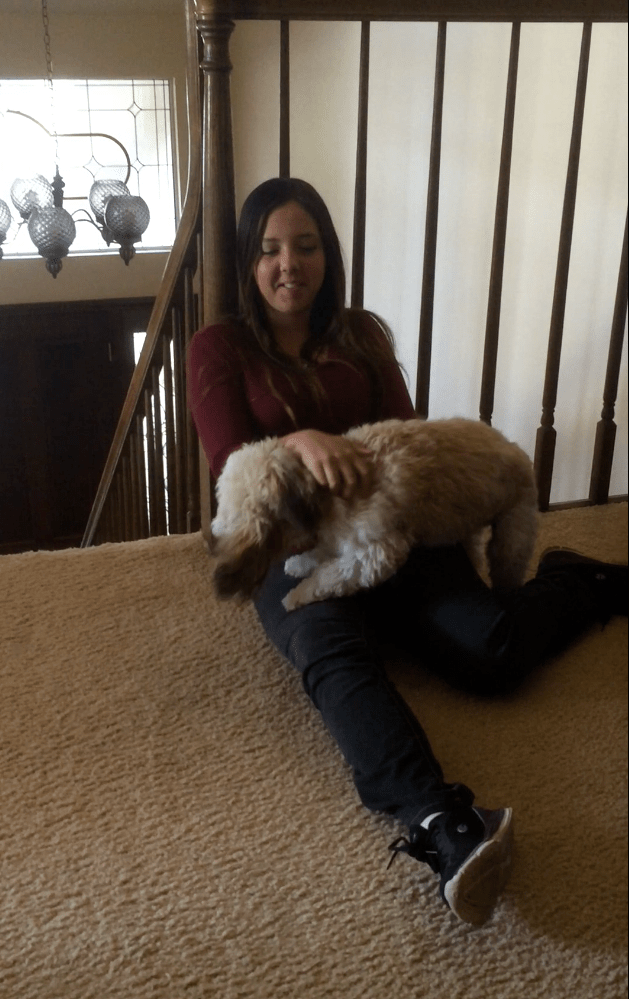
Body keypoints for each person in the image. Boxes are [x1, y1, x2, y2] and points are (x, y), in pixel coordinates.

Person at [187, 177, 627, 927]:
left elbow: (408, 428)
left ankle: (577, 582)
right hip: (292, 544)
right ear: (247, 262)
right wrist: (301, 439)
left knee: (492, 656)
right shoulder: (219, 346)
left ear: (328, 254)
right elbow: (230, 455)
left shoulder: (362, 333)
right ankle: (442, 821)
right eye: (269, 250)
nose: (288, 264)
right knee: (329, 647)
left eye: (306, 246)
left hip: (394, 526)